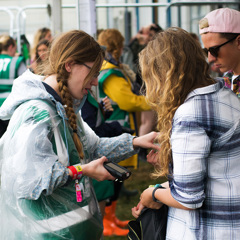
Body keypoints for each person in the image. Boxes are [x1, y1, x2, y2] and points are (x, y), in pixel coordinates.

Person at [0, 29, 159, 240]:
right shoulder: (37, 114)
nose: (95, 82)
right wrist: (83, 170)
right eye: (93, 73)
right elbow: (31, 183)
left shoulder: (62, 107)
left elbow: (92, 147)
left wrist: (137, 141)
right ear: (69, 65)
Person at [131, 27, 240, 239]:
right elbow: (213, 172)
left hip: (206, 229)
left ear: (165, 72)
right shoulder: (225, 94)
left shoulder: (191, 113)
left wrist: (150, 194)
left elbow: (188, 198)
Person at [81, 91, 130, 237]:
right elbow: (91, 134)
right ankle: (106, 223)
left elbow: (90, 124)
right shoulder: (80, 98)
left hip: (96, 162)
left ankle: (109, 220)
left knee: (97, 219)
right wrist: (114, 127)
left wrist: (102, 112)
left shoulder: (84, 94)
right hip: (92, 165)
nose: (97, 81)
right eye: (94, 74)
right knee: (95, 222)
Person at [199, 8, 240, 97]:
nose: (210, 59)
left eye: (214, 50)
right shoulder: (226, 79)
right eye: (206, 51)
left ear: (239, 42)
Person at [0, 34, 27, 137]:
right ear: (10, 47)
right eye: (15, 48)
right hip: (10, 109)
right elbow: (26, 84)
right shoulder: (16, 61)